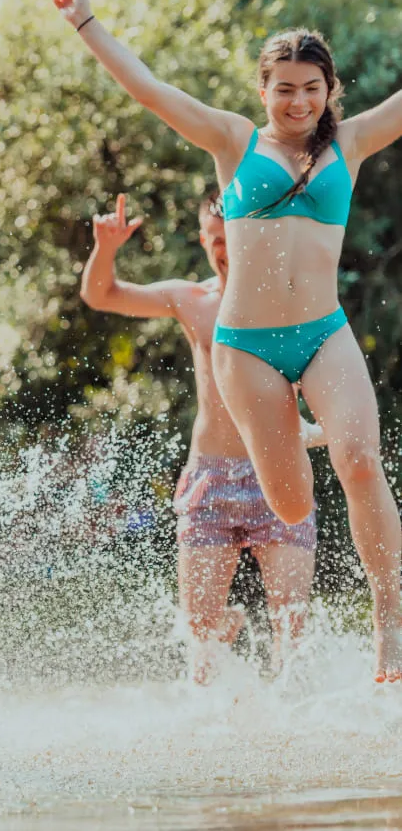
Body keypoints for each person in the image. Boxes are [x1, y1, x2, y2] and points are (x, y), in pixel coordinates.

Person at [55, 0, 402, 681]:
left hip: (324, 333)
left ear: (330, 89)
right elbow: (150, 89)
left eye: (312, 87)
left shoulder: (353, 142)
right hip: (246, 351)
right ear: (263, 90)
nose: (299, 101)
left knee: (361, 460)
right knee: (293, 500)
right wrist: (86, 22)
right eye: (285, 88)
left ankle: (390, 620)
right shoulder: (233, 141)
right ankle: (302, 437)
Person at [82, 192, 324, 681]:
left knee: (291, 627)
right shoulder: (193, 301)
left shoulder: (294, 303)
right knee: (200, 635)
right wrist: (105, 247)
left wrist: (327, 432)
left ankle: (290, 730)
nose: (222, 250)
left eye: (231, 238)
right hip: (211, 480)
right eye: (213, 239)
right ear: (201, 239)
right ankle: (219, 657)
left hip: (279, 476)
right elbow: (100, 294)